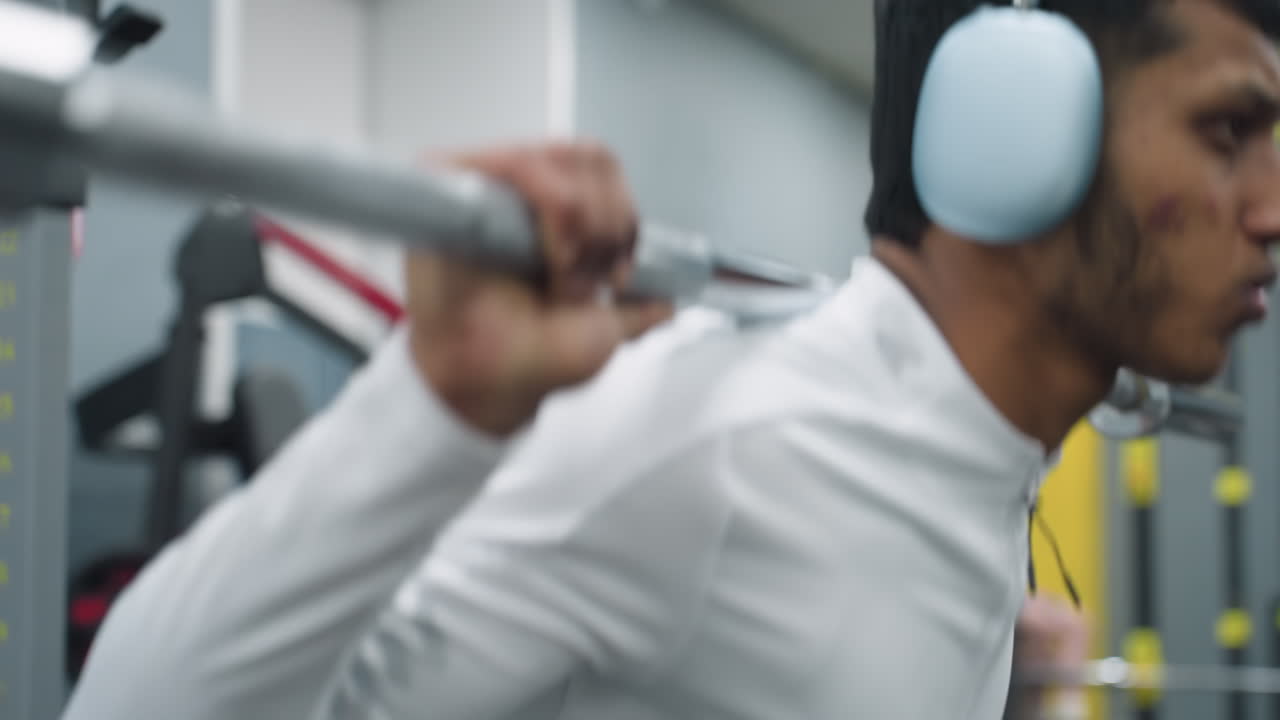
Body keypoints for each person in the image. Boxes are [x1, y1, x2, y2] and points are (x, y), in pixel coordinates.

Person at [64, 0, 1280, 719]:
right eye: (1227, 132)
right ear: (1013, 129)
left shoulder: (971, 458)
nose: (1271, 207)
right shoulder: (719, 443)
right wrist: (432, 408)